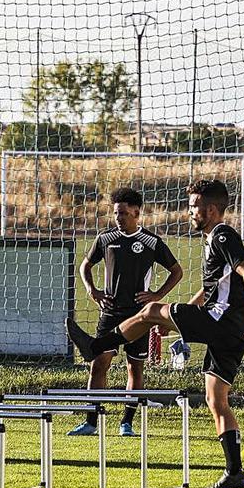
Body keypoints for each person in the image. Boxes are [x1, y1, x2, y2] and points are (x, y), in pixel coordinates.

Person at [65, 179, 244, 488]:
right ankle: (234, 472)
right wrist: (179, 315)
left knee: (150, 311)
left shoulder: (223, 234)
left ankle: (96, 346)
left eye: (194, 206)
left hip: (221, 321)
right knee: (216, 399)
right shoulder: (211, 239)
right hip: (231, 333)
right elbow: (211, 289)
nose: (190, 212)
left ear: (211, 209)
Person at [67, 187, 182, 437]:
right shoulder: (105, 239)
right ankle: (91, 422)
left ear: (136, 213)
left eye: (123, 213)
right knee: (98, 365)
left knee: (134, 369)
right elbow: (85, 265)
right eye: (116, 213)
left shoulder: (151, 242)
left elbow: (177, 271)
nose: (118, 218)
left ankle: (126, 423)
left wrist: (156, 295)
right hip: (110, 312)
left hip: (138, 315)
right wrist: (92, 290)